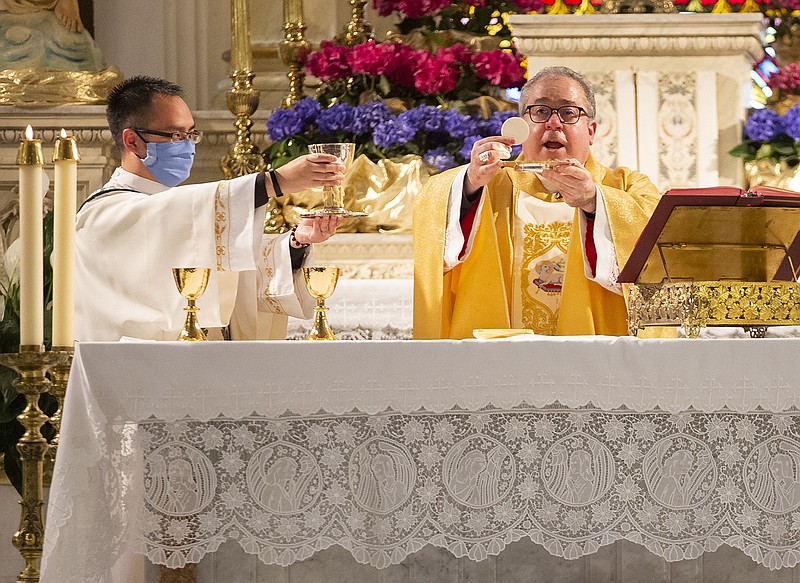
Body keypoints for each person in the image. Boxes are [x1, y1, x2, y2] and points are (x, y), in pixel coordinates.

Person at [75, 76, 344, 341]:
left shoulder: (179, 210)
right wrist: (274, 182)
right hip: (134, 370)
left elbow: (232, 274)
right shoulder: (102, 216)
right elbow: (161, 216)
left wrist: (295, 244)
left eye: (191, 134)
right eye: (176, 134)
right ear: (132, 141)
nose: (187, 145)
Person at [414, 66, 661, 339]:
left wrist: (594, 202)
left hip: (596, 363)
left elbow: (659, 244)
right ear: (521, 127)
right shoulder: (486, 184)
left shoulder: (627, 186)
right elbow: (430, 208)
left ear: (590, 130)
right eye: (541, 111)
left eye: (568, 112)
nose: (553, 123)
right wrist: (470, 183)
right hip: (504, 363)